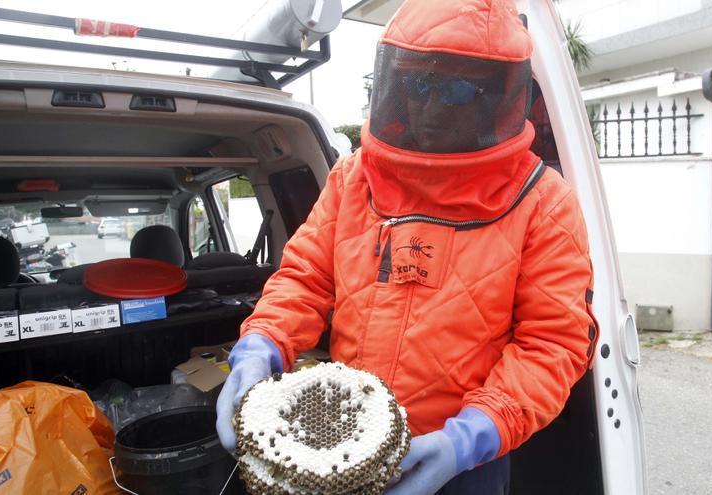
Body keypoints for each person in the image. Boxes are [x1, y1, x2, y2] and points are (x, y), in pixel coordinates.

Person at [216, 0, 599, 493]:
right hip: (344, 442)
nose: (433, 105)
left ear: (493, 96)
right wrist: (262, 343)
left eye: (457, 88)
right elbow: (305, 279)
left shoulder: (543, 202)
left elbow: (553, 342)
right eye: (420, 84)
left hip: (463, 462)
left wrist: (472, 437)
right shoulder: (354, 177)